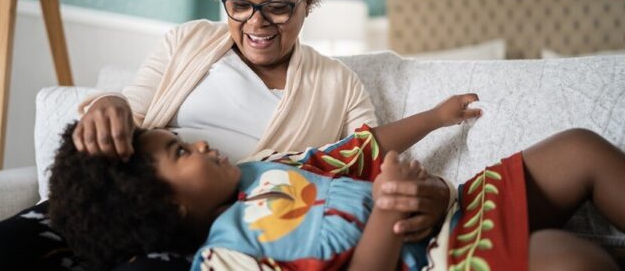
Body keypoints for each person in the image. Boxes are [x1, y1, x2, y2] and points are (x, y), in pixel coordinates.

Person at [0, 0, 449, 270]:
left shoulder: (338, 85)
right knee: (4, 249)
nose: (256, 22)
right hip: (132, 202)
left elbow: (361, 165)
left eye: (278, 7)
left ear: (309, 2)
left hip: (210, 236)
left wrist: (427, 195)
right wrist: (110, 103)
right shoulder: (187, 42)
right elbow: (131, 107)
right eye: (240, 3)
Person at [48, 94, 624, 271]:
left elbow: (359, 150)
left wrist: (434, 119)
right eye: (179, 152)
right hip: (433, 267)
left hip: (455, 222)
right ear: (167, 208)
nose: (198, 142)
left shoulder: (267, 168)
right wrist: (384, 214)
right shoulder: (227, 258)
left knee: (578, 149)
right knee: (563, 258)